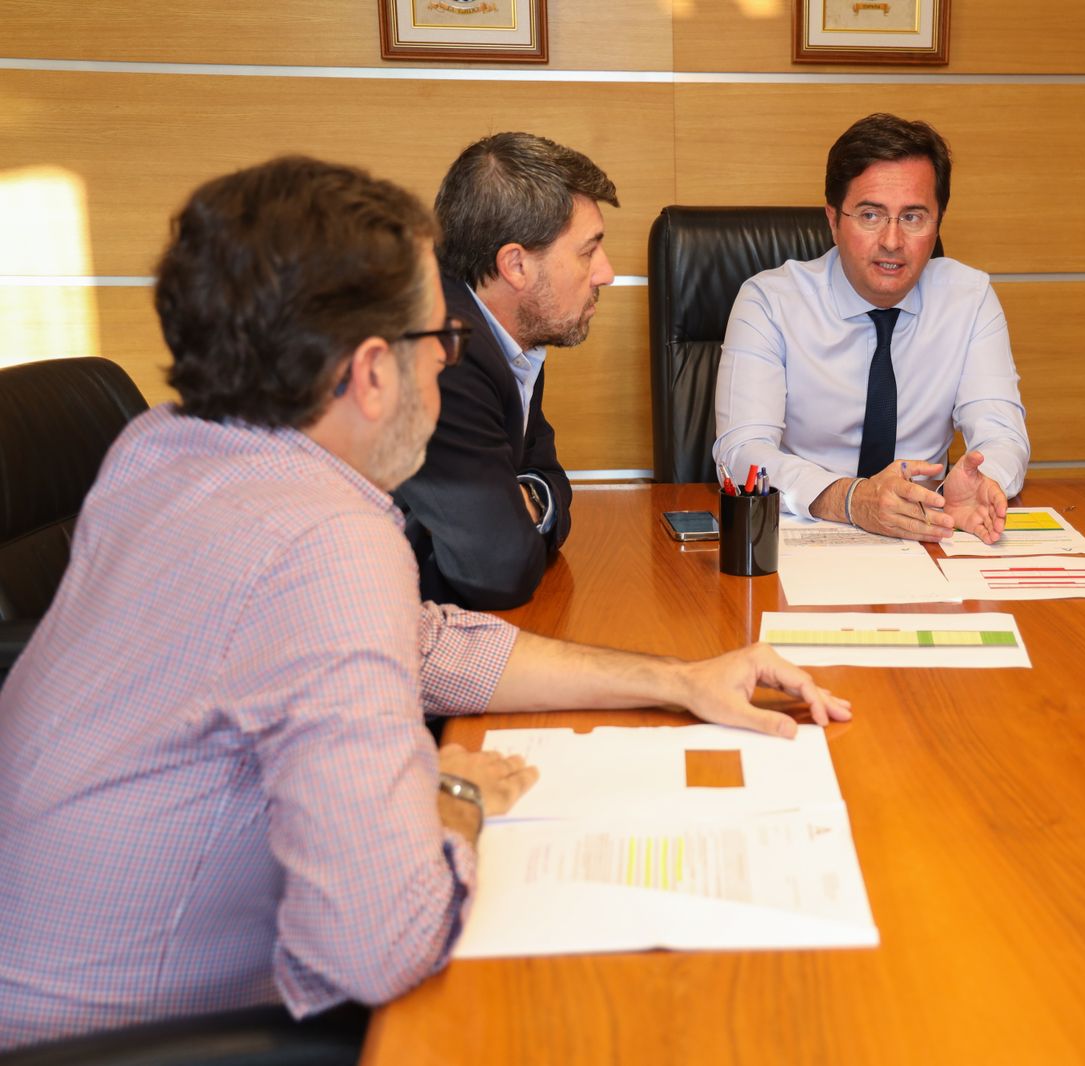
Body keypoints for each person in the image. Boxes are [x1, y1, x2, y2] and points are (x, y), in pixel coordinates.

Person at [0, 156, 850, 1052]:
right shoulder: (325, 540)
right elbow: (379, 943)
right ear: (372, 372)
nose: (452, 361)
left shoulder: (160, 448)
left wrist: (679, 680)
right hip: (127, 1039)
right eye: (439, 339)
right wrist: (450, 800)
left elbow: (428, 641)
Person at [713, 113, 1030, 545]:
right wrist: (851, 499)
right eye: (870, 215)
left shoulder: (969, 299)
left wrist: (979, 480)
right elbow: (742, 452)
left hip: (926, 532)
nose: (892, 242)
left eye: (914, 217)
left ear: (938, 221)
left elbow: (1002, 433)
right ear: (833, 219)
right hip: (804, 536)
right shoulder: (770, 302)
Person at [393, 132, 616, 609]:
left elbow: (546, 470)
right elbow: (498, 569)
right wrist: (515, 508)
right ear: (515, 265)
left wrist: (523, 499)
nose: (606, 273)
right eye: (588, 250)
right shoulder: (442, 351)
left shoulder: (511, 331)